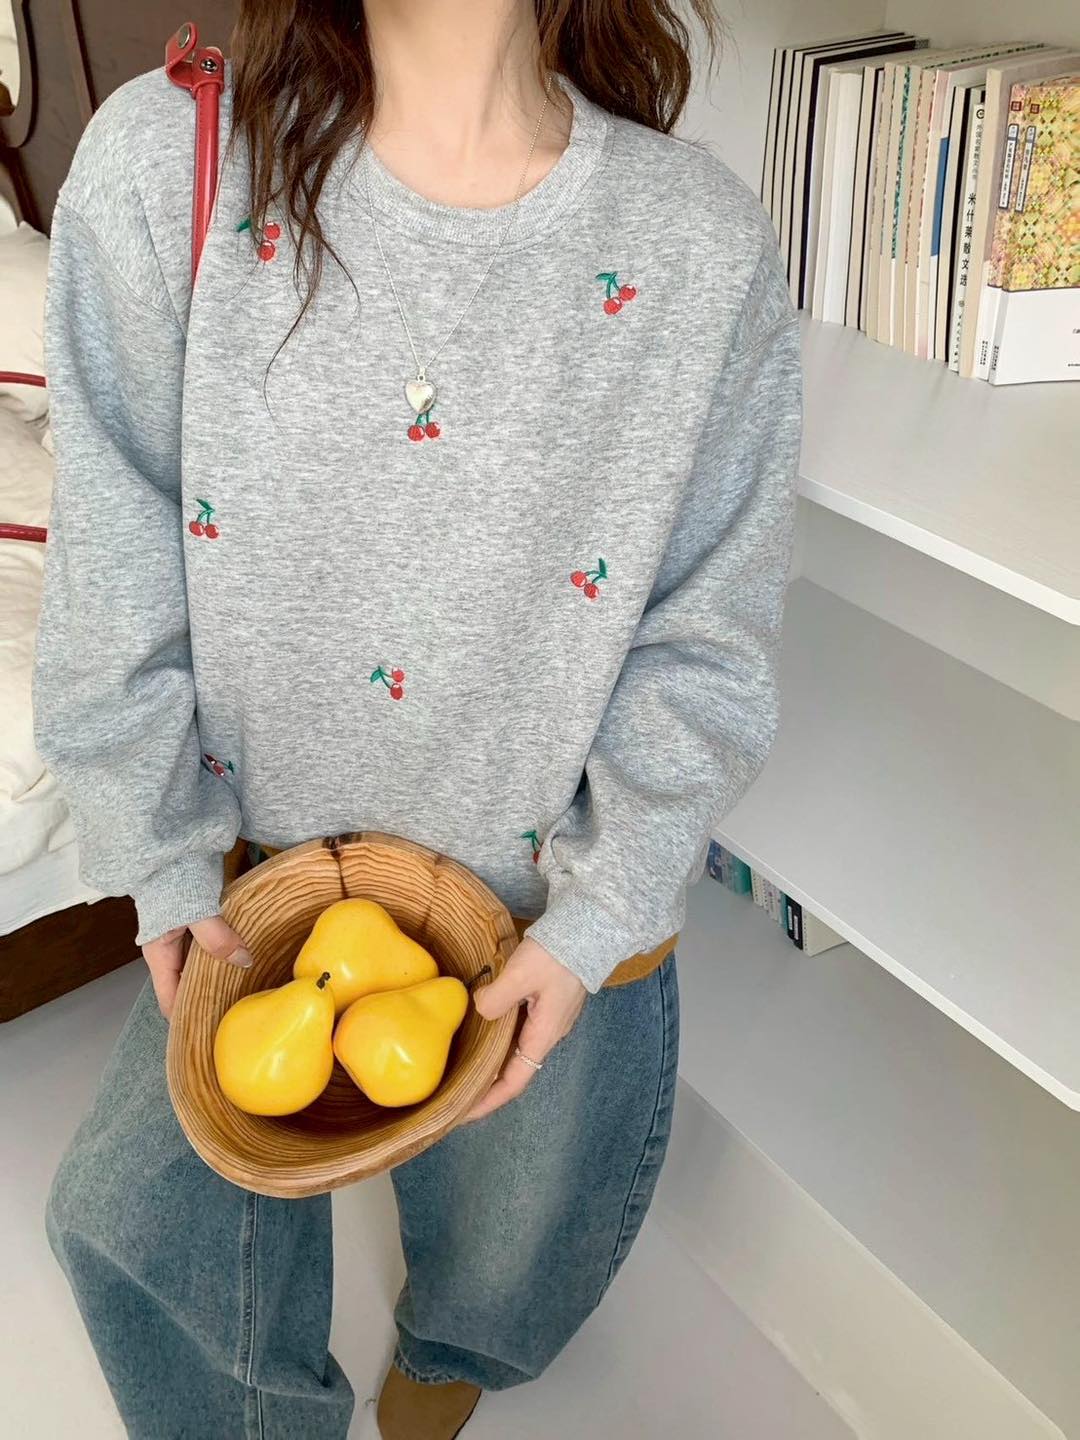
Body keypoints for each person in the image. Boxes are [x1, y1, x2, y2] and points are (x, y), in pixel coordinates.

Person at [32, 2, 801, 1436]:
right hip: (261, 895)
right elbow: (112, 561)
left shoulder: (698, 240)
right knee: (128, 1227)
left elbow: (708, 634)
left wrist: (600, 911)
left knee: (518, 1251)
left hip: (556, 903)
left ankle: (446, 1357)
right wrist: (159, 848)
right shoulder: (166, 165)